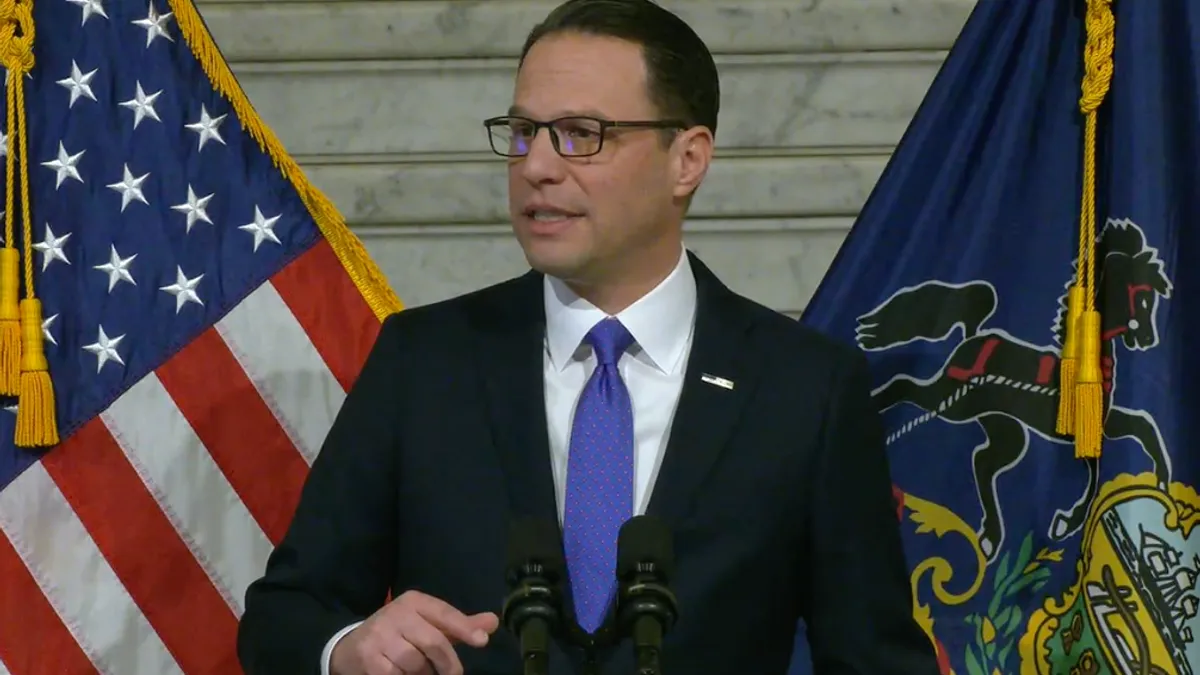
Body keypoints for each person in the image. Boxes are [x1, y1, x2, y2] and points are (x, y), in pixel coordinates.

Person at [236, 0, 941, 673]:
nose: (537, 165)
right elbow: (286, 612)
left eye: (581, 134)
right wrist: (346, 649)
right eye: (523, 132)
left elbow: (875, 658)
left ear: (687, 159)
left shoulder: (805, 388)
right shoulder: (425, 361)